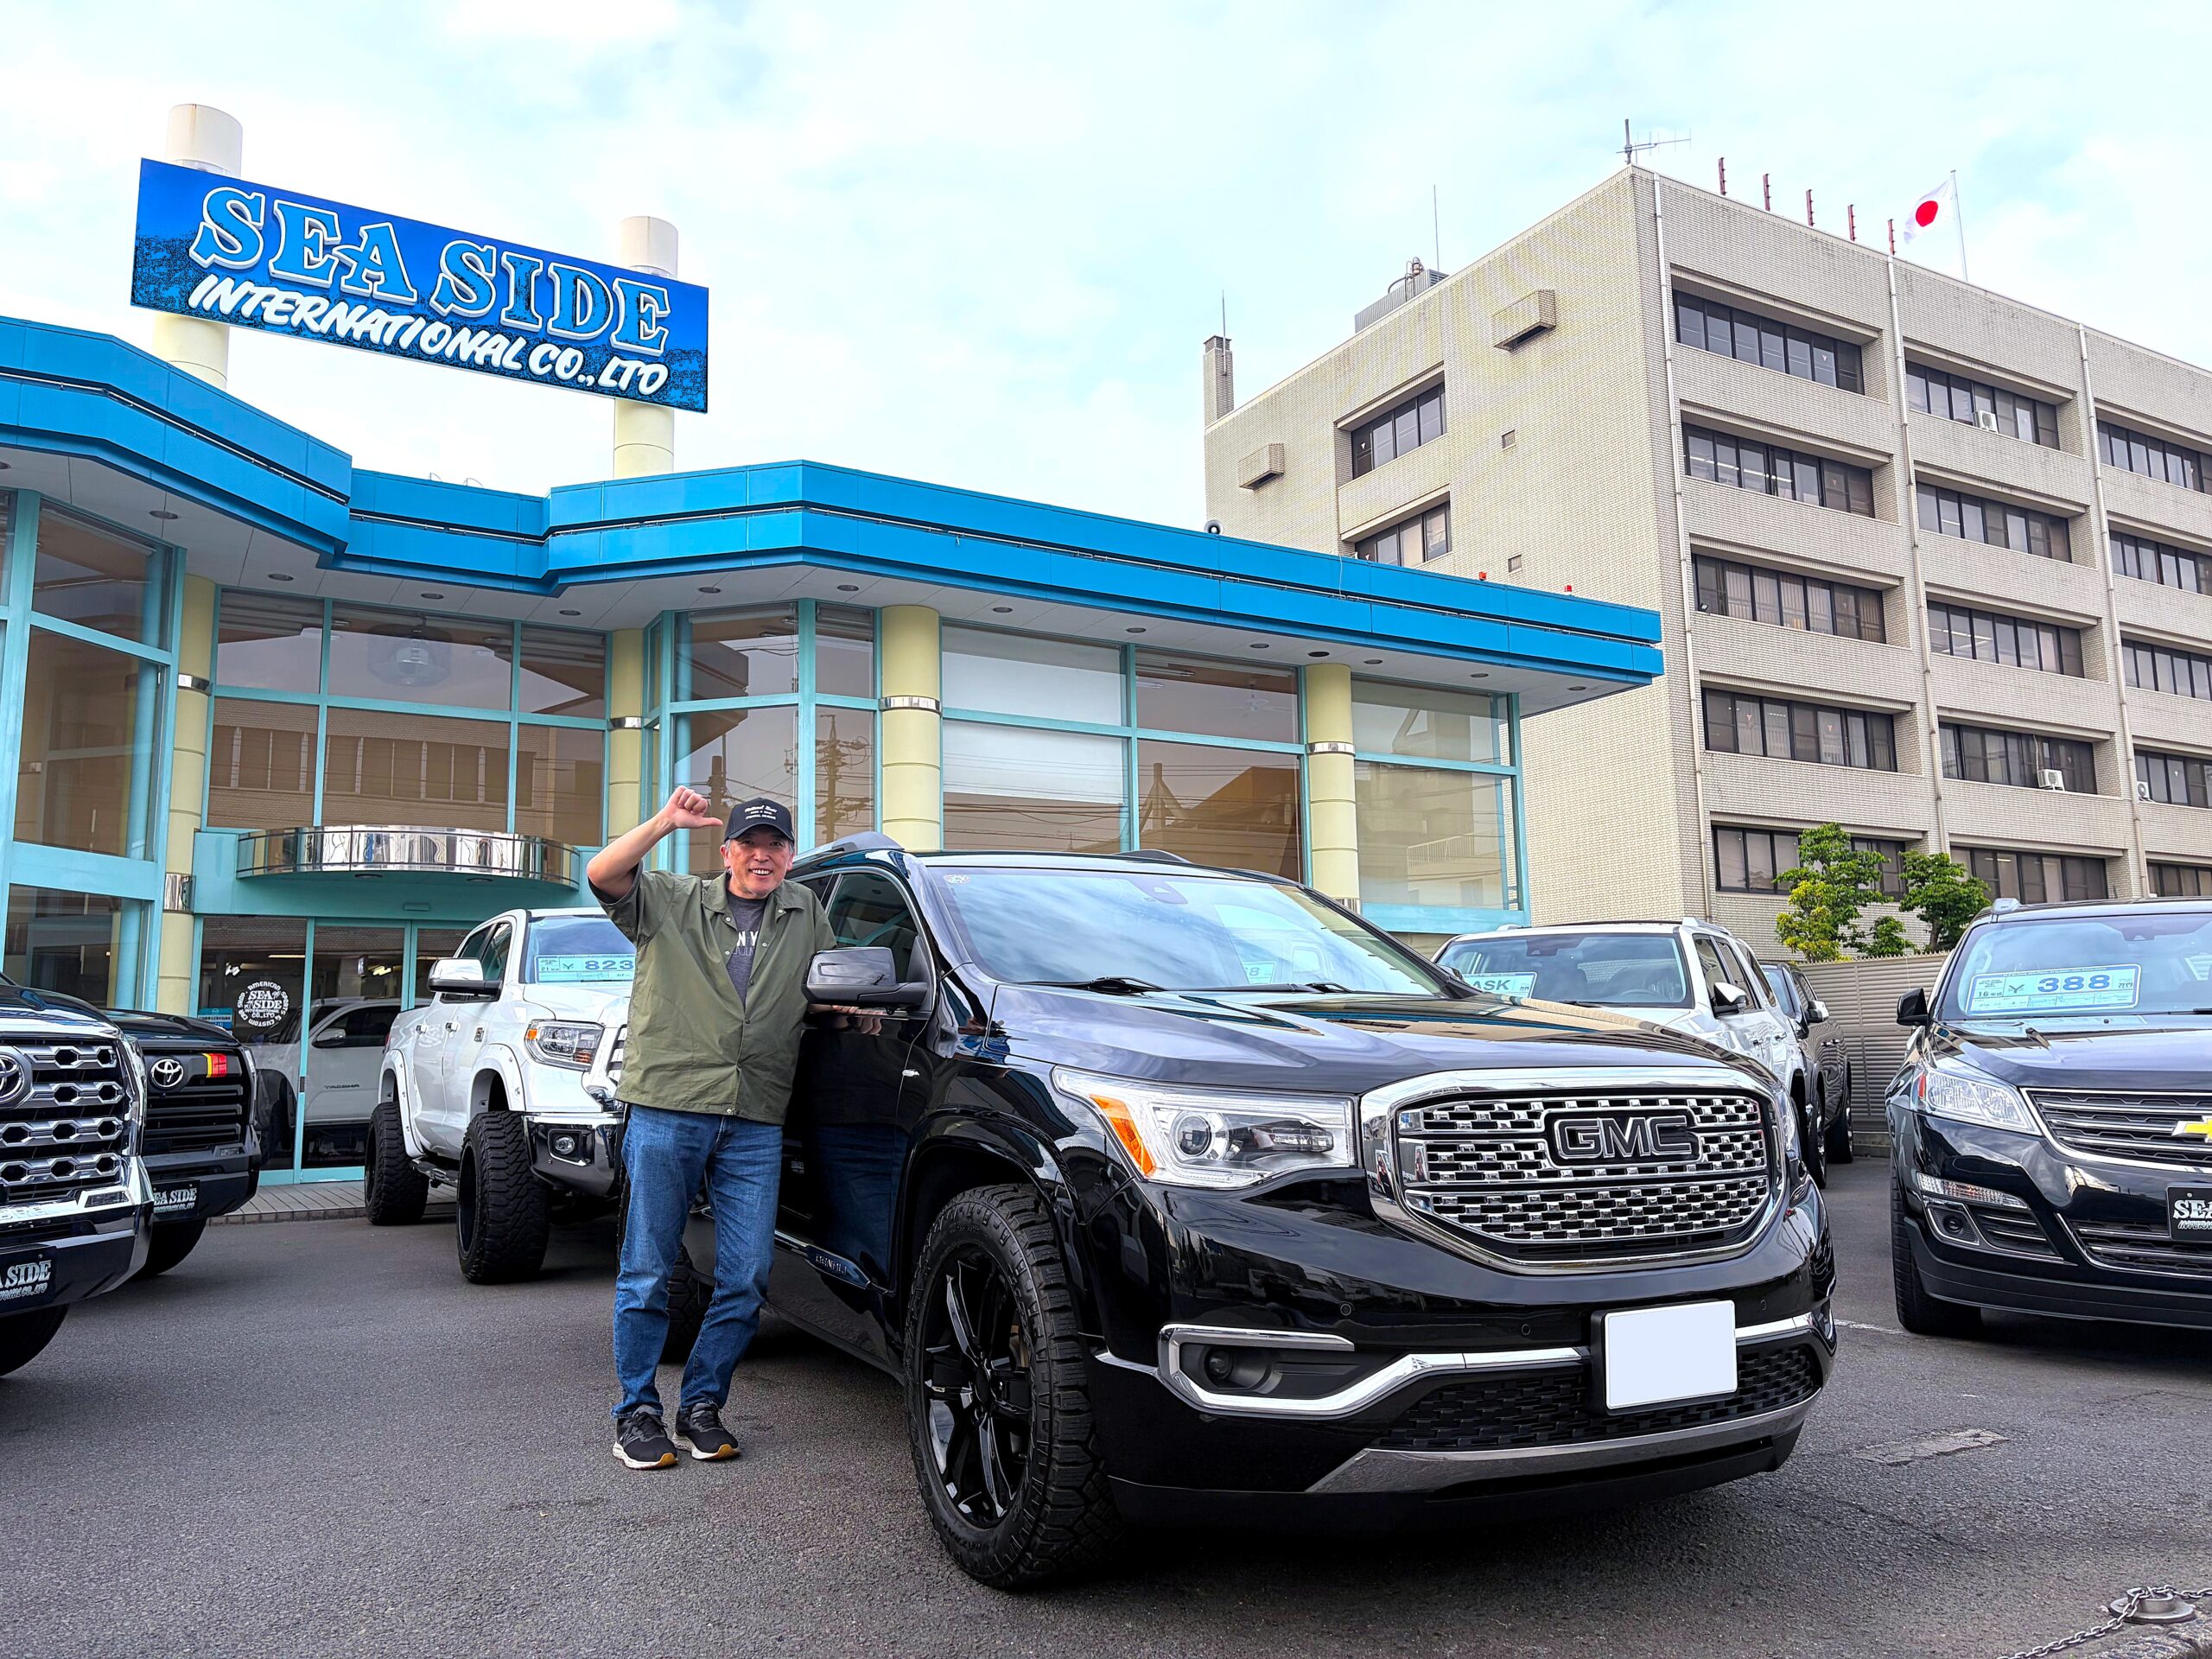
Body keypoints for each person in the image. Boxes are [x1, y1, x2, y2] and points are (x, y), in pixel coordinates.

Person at [586, 786, 834, 1470]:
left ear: (789, 856)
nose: (762, 856)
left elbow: (826, 990)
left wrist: (858, 1011)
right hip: (670, 1105)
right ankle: (636, 1413)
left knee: (748, 1276)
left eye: (775, 845)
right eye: (749, 845)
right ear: (726, 853)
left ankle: (701, 1404)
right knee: (647, 1271)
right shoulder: (672, 899)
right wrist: (665, 822)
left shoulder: (805, 911)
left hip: (754, 1115)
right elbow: (602, 874)